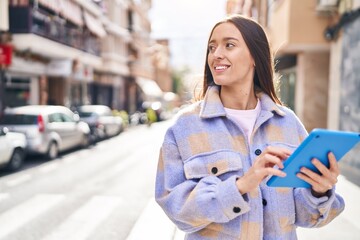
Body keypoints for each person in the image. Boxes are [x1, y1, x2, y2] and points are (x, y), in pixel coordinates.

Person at [155, 14, 345, 239]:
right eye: (212, 47)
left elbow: (304, 216)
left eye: (229, 45)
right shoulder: (186, 126)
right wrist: (240, 186)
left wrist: (319, 191)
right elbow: (175, 208)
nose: (217, 54)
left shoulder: (288, 123)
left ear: (255, 56)